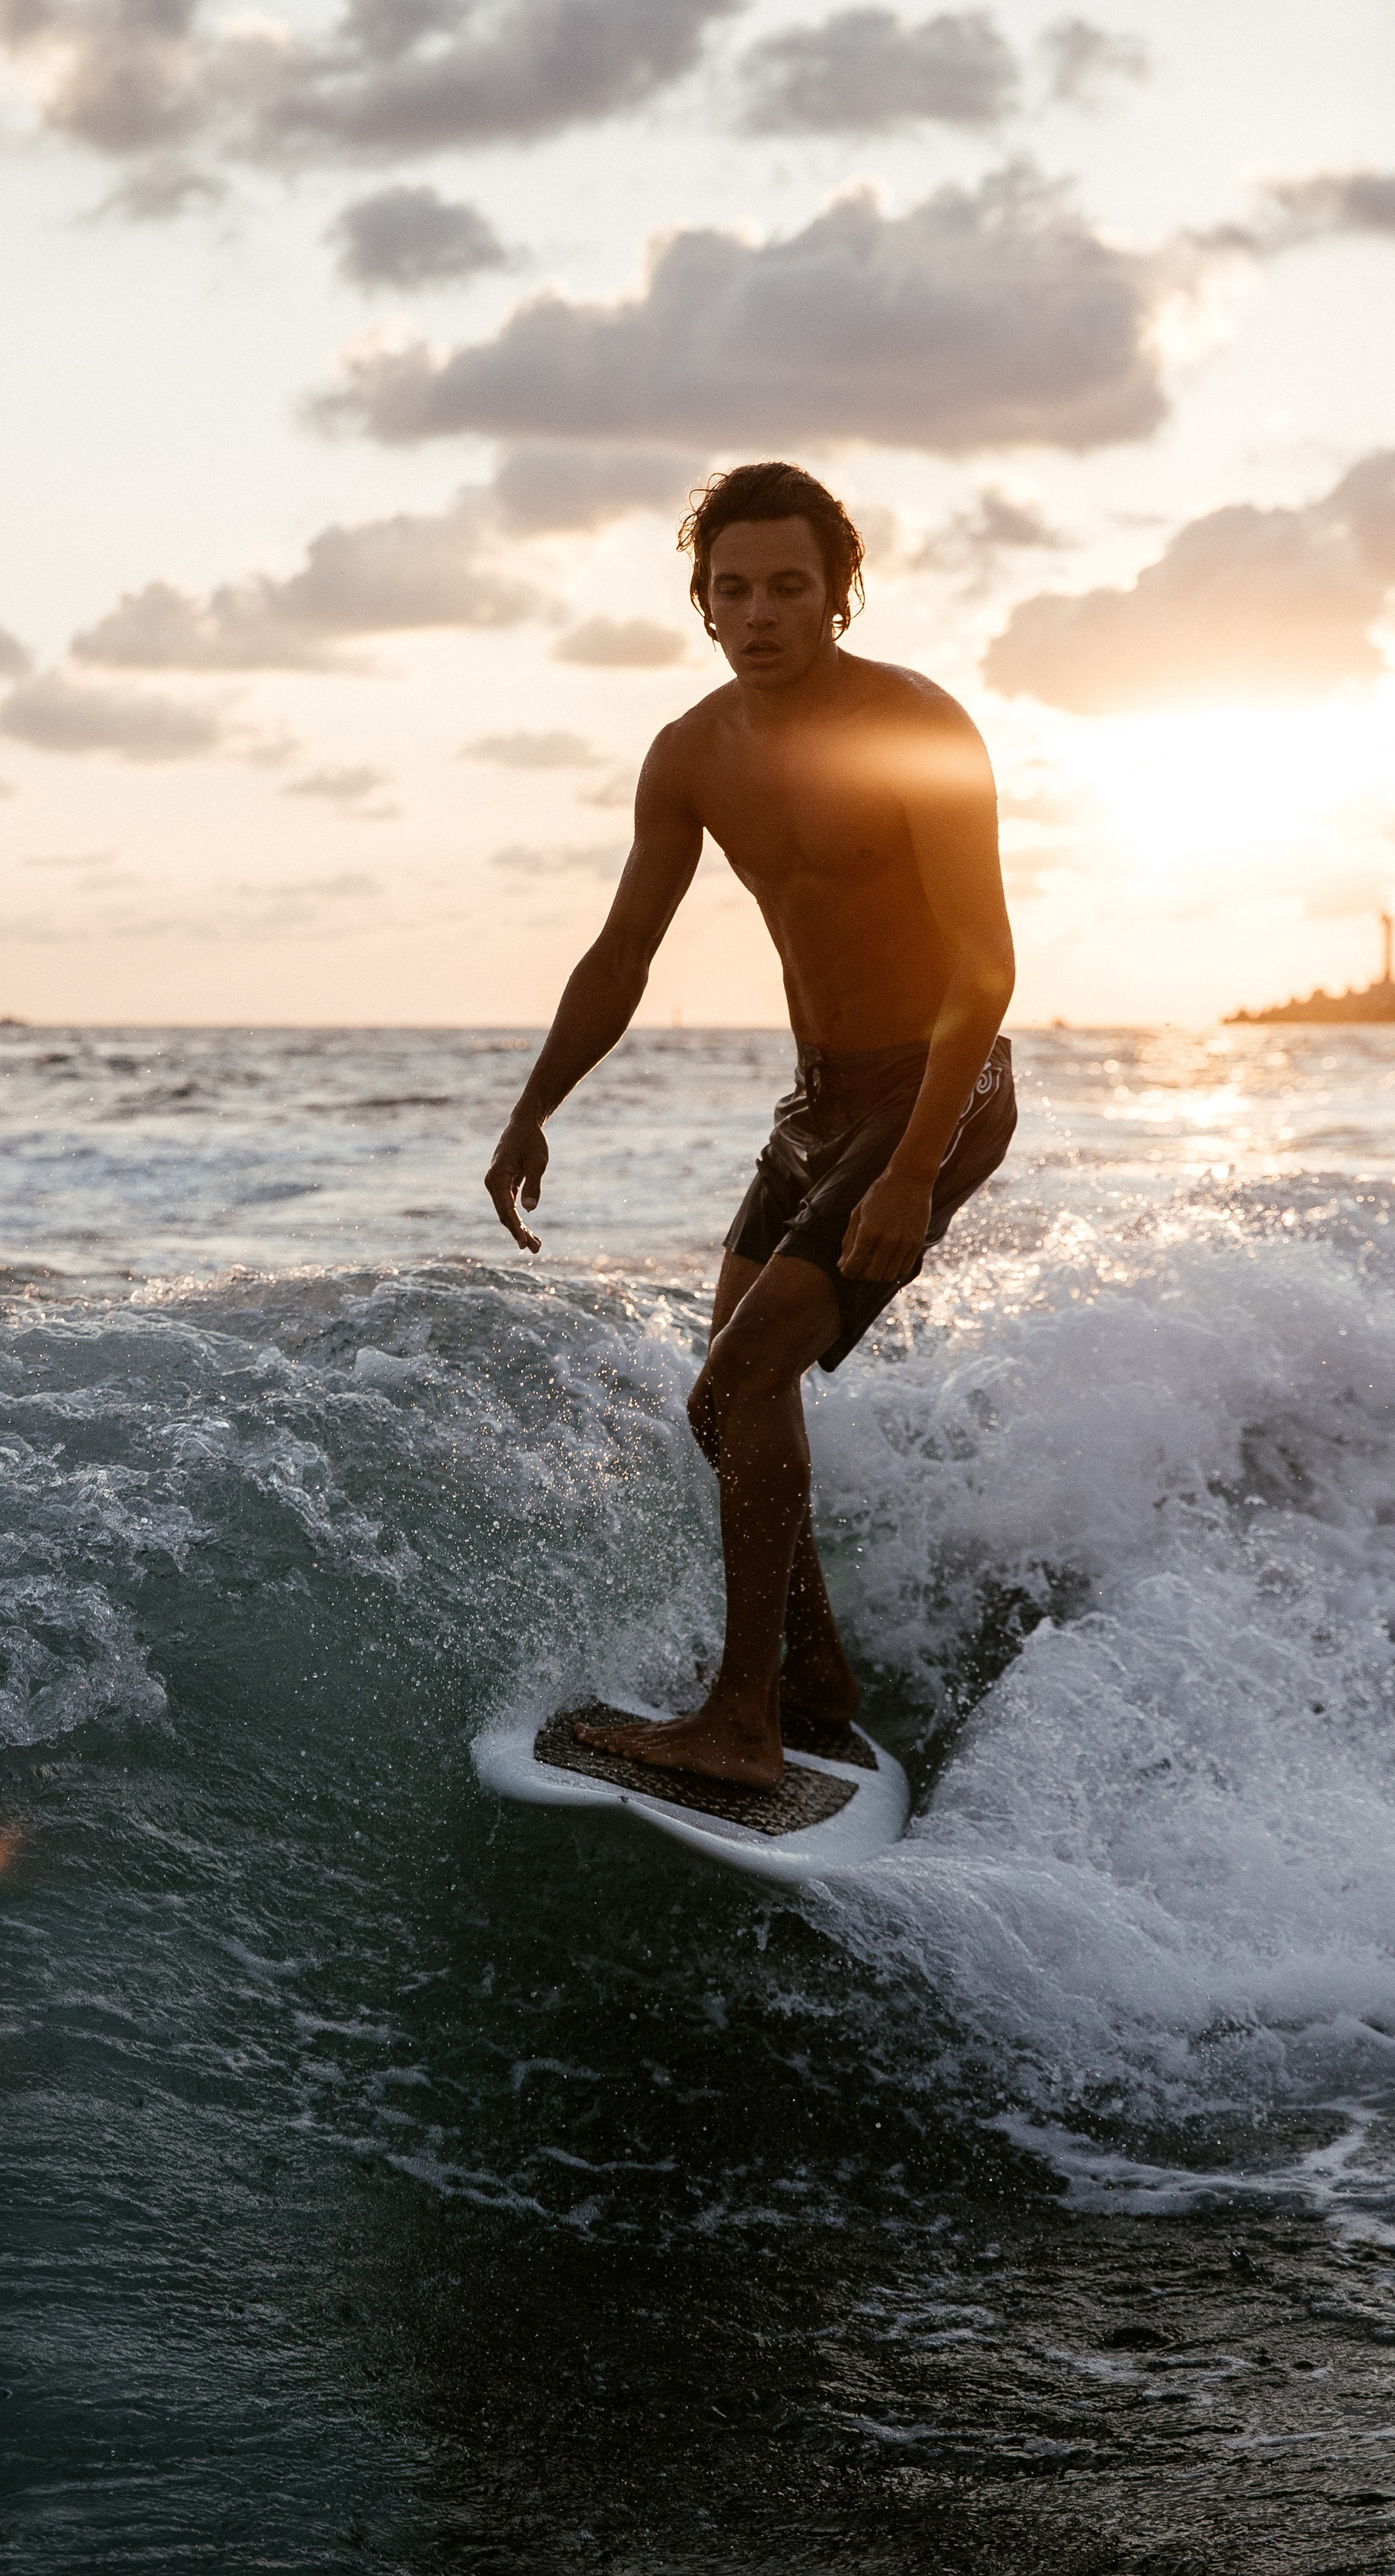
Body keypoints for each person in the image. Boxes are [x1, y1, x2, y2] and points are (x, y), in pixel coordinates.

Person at [484, 462, 1016, 1790]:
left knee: (728, 1380)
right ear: (703, 605)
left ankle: (744, 1718)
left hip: (934, 1094)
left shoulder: (918, 729)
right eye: (735, 589)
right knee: (739, 1404)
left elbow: (986, 968)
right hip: (816, 1105)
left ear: (841, 596)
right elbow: (621, 957)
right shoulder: (694, 752)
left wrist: (909, 1171)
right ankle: (817, 1675)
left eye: (791, 585)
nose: (761, 610)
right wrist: (535, 1104)